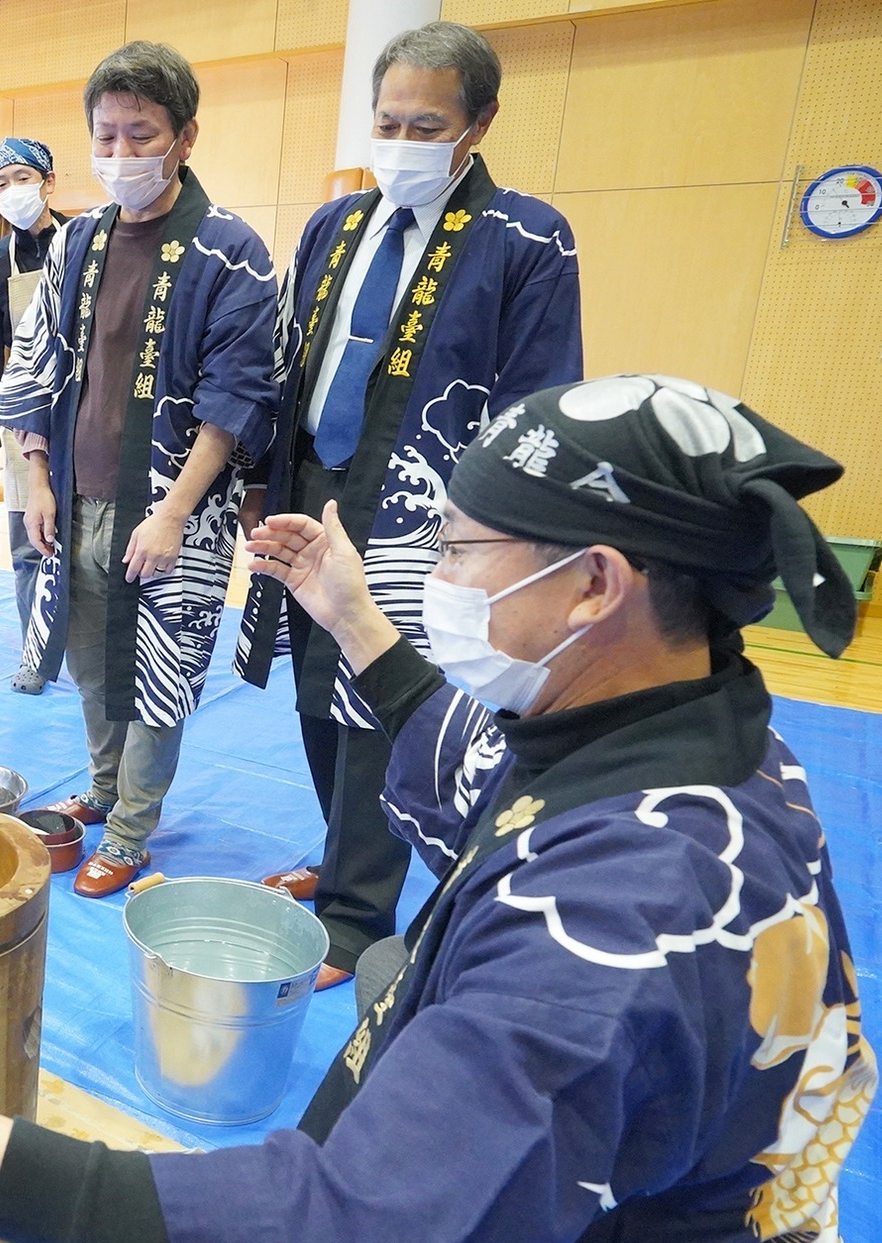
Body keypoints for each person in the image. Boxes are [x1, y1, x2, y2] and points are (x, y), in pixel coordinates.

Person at [0, 375, 879, 1243]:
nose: (434, 579)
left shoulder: (622, 923)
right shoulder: (680, 730)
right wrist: (353, 615)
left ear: (591, 586)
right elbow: (469, 760)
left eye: (456, 553)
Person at [238, 21, 582, 989]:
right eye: (384, 121)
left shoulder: (525, 237)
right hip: (314, 488)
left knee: (375, 701)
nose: (399, 142)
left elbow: (535, 403)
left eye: (422, 125)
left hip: (426, 510)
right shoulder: (331, 225)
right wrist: (261, 485)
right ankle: (341, 857)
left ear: (478, 124)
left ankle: (355, 915)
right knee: (313, 689)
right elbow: (289, 370)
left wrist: (488, 542)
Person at [0, 43, 278, 897]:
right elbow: (37, 363)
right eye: (105, 136)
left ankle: (130, 829)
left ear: (185, 137)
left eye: (140, 134)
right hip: (74, 496)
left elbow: (237, 400)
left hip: (170, 510)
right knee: (91, 657)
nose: (120, 154)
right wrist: (36, 477)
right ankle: (105, 784)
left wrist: (176, 513)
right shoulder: (77, 239)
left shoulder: (234, 252)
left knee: (158, 665)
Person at [0, 136, 69, 695]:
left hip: (80, 411)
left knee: (85, 535)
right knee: (29, 543)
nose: (13, 192)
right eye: (2, 184)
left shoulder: (85, 242)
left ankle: (85, 649)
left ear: (49, 182)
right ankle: (36, 653)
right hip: (19, 412)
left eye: (23, 179)